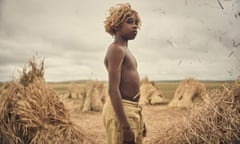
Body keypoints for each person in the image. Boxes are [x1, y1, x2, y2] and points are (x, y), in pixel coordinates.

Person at [102, 3, 146, 144]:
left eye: (135, 23)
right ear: (116, 25)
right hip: (121, 111)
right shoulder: (116, 50)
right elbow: (113, 90)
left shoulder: (125, 50)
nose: (134, 26)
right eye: (129, 22)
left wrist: (140, 120)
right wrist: (125, 126)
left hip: (131, 110)